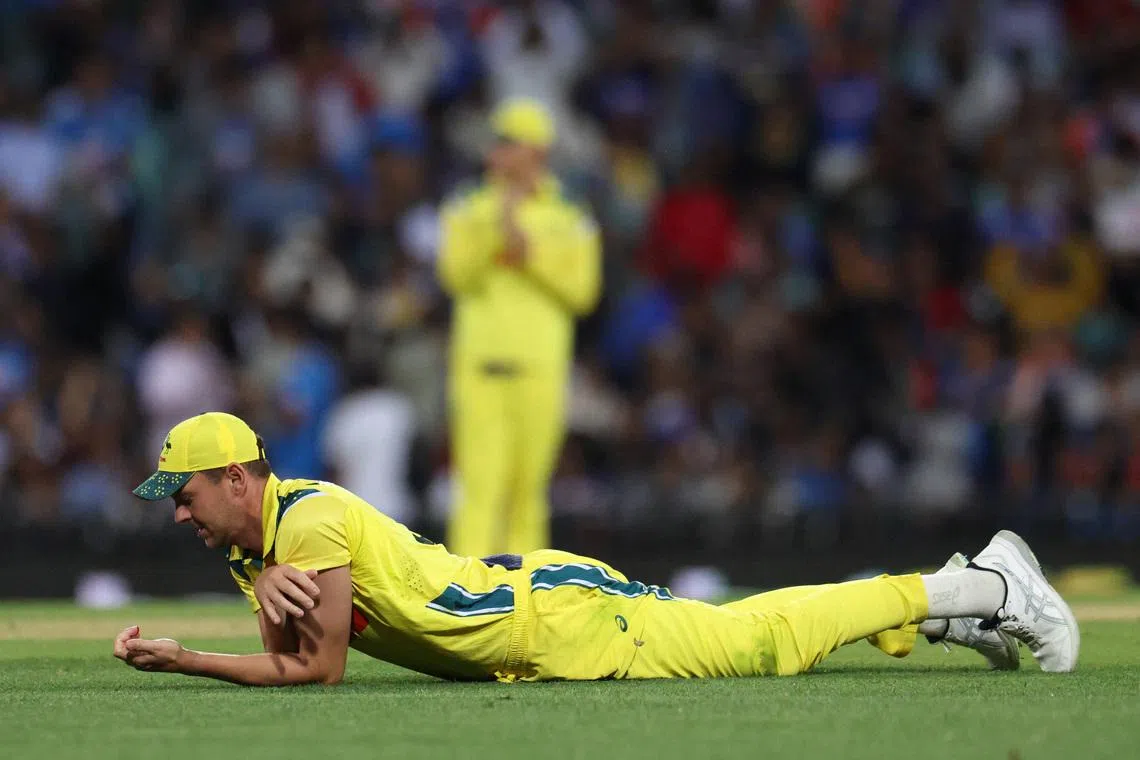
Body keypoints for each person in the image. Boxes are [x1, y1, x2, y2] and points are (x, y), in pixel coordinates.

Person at [114, 412, 1080, 685]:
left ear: (239, 479)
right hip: (531, 625)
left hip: (560, 618)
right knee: (762, 631)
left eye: (187, 494)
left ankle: (991, 584)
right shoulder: (256, 548)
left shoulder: (309, 522)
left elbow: (316, 671)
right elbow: (293, 659)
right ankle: (951, 604)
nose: (178, 513)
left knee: (765, 640)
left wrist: (182, 657)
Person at [437, 97, 602, 558]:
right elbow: (455, 275)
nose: (498, 151)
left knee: (529, 492)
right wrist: (498, 228)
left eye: (510, 143)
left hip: (540, 369)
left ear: (537, 151)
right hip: (479, 368)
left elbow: (583, 292)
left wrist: (530, 253)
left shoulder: (570, 213)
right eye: (498, 142)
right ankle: (466, 592)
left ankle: (525, 594)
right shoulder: (467, 206)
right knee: (478, 488)